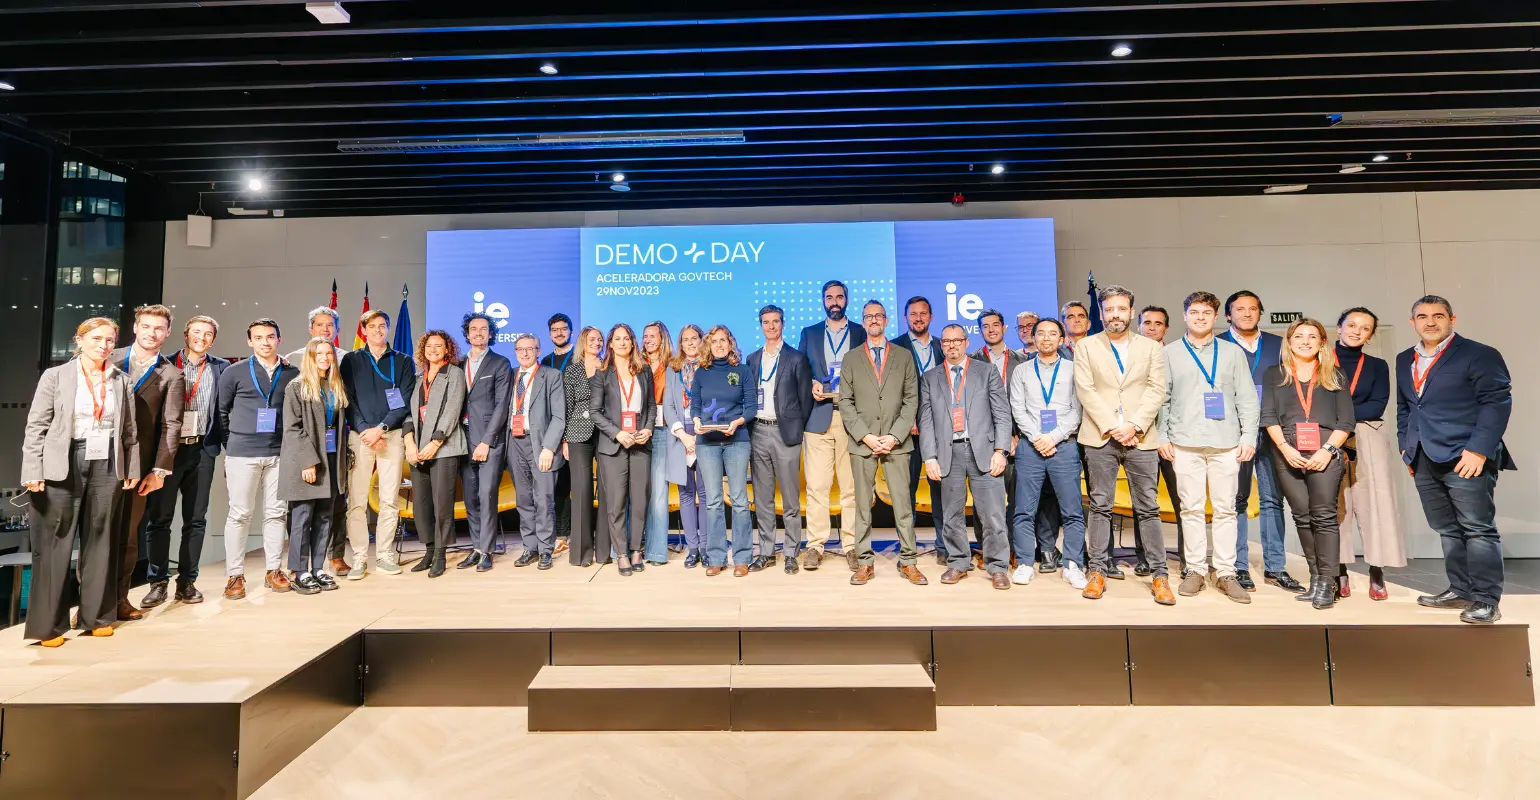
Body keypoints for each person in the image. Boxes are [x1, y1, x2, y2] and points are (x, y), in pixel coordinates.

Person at [21, 317, 141, 646]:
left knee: (101, 539)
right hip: (63, 463)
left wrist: (131, 467)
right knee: (55, 542)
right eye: (97, 338)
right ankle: (49, 627)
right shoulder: (56, 376)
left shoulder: (121, 380)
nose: (104, 345)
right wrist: (33, 469)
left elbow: (129, 432)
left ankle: (97, 616)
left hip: (107, 463)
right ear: (80, 340)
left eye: (110, 340)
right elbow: (36, 427)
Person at [1399, 296, 1514, 624]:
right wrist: (1407, 448)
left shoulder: (1480, 354)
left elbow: (1497, 402)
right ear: (1413, 323)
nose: (1430, 322)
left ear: (1452, 319)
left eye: (1438, 316)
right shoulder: (1404, 358)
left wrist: (1479, 450)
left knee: (1477, 528)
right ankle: (1461, 589)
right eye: (1422, 317)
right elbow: (1406, 408)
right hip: (1423, 456)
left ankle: (1486, 599)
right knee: (1447, 529)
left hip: (1467, 456)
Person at [1157, 292, 1259, 604]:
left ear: (1216, 317)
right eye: (1194, 312)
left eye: (1206, 313)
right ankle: (1196, 570)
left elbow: (1247, 399)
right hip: (1184, 442)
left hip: (1226, 442)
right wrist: (1162, 436)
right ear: (1185, 316)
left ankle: (1226, 572)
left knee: (1227, 509)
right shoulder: (1170, 353)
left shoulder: (1232, 353)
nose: (1200, 317)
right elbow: (1163, 397)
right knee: (1190, 508)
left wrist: (1248, 438)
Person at [1073, 285, 1172, 604]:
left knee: (1149, 508)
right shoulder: (1086, 346)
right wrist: (1114, 427)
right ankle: (1097, 571)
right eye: (1109, 309)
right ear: (1101, 313)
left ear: (1132, 312)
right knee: (1100, 505)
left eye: (1121, 309)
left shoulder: (1152, 348)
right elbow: (1085, 390)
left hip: (1141, 438)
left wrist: (1135, 425)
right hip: (1100, 436)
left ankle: (1160, 575)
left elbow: (1157, 389)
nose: (1115, 314)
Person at [1261, 319, 1355, 610]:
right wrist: (1285, 449)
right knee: (1301, 516)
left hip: (1325, 451)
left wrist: (1327, 450)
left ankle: (1329, 582)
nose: (1305, 341)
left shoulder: (1335, 375)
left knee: (1324, 516)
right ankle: (1315, 579)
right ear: (1288, 342)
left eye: (1312, 336)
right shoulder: (1274, 374)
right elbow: (1268, 417)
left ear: (1322, 342)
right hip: (1287, 451)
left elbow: (1346, 422)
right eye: (1298, 336)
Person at [1219, 290, 1302, 593]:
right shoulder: (1218, 346)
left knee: (1271, 500)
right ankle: (1238, 566)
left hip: (1273, 429)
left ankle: (1276, 567)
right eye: (1239, 309)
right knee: (1237, 499)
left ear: (1260, 313)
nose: (1246, 314)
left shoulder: (1279, 345)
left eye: (1252, 308)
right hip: (1235, 431)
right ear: (1228, 315)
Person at [142, 315, 228, 607]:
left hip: (202, 449)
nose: (201, 338)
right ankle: (157, 582)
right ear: (185, 335)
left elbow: (224, 412)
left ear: (213, 339)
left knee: (196, 520)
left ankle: (187, 582)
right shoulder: (164, 364)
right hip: (168, 452)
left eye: (207, 334)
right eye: (196, 332)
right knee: (159, 519)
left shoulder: (221, 367)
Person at [839, 300, 925, 586]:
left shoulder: (903, 356)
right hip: (863, 442)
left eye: (878, 316)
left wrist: (894, 435)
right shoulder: (851, 358)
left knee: (903, 505)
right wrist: (866, 436)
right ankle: (864, 562)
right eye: (868, 316)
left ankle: (909, 561)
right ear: (863, 322)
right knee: (862, 506)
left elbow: (912, 399)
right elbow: (846, 403)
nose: (874, 320)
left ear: (886, 321)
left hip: (896, 442)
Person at [109, 304, 185, 622]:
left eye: (159, 328)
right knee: (96, 534)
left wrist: (159, 470)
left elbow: (171, 426)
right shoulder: (107, 359)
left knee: (127, 536)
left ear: (167, 334)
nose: (152, 333)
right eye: (146, 326)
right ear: (135, 327)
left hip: (138, 467)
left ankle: (119, 599)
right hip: (98, 459)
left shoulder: (171, 374)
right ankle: (90, 604)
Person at [920, 324, 1012, 589]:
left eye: (957, 340)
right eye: (946, 342)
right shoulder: (930, 377)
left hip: (984, 451)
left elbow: (1002, 414)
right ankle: (958, 562)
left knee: (993, 514)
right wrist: (930, 457)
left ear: (966, 342)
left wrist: (1001, 450)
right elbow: (925, 421)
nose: (951, 345)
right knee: (951, 515)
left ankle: (997, 567)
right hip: (949, 453)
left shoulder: (986, 371)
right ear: (941, 345)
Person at [217, 318, 298, 599]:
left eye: (271, 336)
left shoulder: (292, 373)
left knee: (276, 513)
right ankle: (234, 575)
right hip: (242, 453)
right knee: (239, 514)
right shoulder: (233, 372)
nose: (265, 342)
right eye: (259, 337)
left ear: (279, 339)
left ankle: (274, 570)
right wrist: (232, 445)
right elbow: (221, 412)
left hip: (279, 453)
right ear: (250, 341)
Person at [1008, 318, 1088, 589]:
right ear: (1033, 338)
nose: (1046, 338)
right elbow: (1017, 409)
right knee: (1023, 511)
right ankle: (1024, 563)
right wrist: (1037, 437)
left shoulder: (1074, 368)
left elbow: (1077, 410)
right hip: (1030, 448)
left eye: (1053, 334)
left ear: (1061, 339)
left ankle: (1073, 565)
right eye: (1040, 333)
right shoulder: (1021, 371)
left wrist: (1052, 437)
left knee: (1073, 511)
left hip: (1064, 446)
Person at [340, 310, 414, 579]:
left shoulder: (404, 361)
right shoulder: (350, 360)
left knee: (389, 500)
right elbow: (347, 400)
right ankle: (359, 557)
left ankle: (384, 555)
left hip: (391, 436)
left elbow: (405, 401)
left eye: (383, 326)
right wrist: (365, 431)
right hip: (360, 438)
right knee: (357, 501)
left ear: (389, 329)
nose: (378, 330)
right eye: (372, 326)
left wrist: (382, 428)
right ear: (364, 330)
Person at [1334, 307, 1401, 600]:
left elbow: (1377, 406)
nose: (1356, 331)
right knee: (1335, 507)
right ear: (1339, 328)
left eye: (1364, 328)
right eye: (1351, 325)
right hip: (1329, 440)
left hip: (1367, 436)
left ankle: (1376, 570)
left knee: (1373, 503)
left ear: (1371, 335)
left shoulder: (1377, 365)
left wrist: (1337, 416)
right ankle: (1339, 570)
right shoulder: (1320, 361)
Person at [796, 280, 859, 570]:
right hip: (818, 416)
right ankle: (815, 545)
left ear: (847, 300)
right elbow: (799, 372)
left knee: (851, 488)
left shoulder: (859, 332)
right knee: (817, 487)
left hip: (851, 419)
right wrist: (809, 383)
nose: (835, 301)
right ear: (822, 301)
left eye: (839, 297)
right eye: (829, 297)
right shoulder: (808, 334)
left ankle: (851, 545)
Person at [278, 337, 348, 595]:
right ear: (309, 356)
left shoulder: (335, 385)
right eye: (319, 353)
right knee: (302, 518)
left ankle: (317, 568)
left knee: (325, 517)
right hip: (306, 460)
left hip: (330, 459)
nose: (325, 357)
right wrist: (308, 461)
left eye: (329, 353)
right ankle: (299, 570)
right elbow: (292, 429)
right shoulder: (297, 387)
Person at [747, 305, 813, 574]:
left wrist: (796, 428)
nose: (771, 326)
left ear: (783, 324)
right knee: (762, 498)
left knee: (790, 499)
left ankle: (791, 553)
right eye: (766, 322)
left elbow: (805, 399)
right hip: (758, 432)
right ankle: (765, 552)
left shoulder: (796, 358)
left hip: (786, 434)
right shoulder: (752, 360)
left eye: (775, 322)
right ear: (760, 325)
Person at [690, 325, 755, 576]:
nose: (719, 345)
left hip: (737, 440)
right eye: (714, 341)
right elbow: (696, 405)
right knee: (713, 501)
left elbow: (750, 407)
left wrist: (737, 422)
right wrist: (696, 421)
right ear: (708, 345)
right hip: (707, 443)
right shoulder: (701, 373)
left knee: (739, 501)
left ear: (731, 343)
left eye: (723, 340)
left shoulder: (743, 371)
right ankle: (716, 557)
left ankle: (742, 558)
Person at [592, 323, 656, 576]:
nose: (621, 343)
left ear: (632, 343)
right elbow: (595, 413)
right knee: (616, 503)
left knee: (640, 501)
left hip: (641, 443)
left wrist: (648, 429)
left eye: (626, 338)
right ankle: (621, 553)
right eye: (617, 339)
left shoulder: (644, 370)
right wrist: (618, 433)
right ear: (610, 344)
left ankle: (636, 549)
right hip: (613, 446)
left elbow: (651, 405)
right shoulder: (602, 373)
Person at [402, 330, 467, 578]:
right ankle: (428, 550)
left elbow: (452, 411)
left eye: (439, 346)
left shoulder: (455, 374)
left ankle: (441, 554)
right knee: (422, 504)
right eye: (429, 346)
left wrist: (435, 442)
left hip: (445, 448)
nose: (433, 349)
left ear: (447, 349)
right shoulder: (419, 378)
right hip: (418, 449)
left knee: (442, 504)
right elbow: (410, 413)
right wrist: (409, 442)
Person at [969, 309, 1029, 567]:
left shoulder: (1022, 360)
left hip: (1015, 440)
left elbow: (1026, 401)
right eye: (985, 326)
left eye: (996, 325)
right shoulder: (971, 361)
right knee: (984, 502)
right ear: (979, 331)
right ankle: (986, 549)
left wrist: (1014, 435)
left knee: (1016, 501)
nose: (991, 329)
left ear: (1004, 329)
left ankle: (1013, 549)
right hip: (982, 440)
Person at [506, 333, 566, 570]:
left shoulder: (552, 376)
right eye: (520, 349)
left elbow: (560, 416)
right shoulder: (509, 376)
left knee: (543, 499)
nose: (525, 353)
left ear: (538, 350)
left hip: (540, 444)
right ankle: (529, 547)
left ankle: (545, 549)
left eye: (529, 349)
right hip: (515, 443)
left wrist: (549, 447)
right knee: (523, 499)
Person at [458, 312, 511, 572]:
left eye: (483, 329)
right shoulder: (457, 364)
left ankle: (488, 550)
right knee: (470, 497)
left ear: (491, 334)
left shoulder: (500, 363)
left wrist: (487, 441)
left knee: (486, 494)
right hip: (462, 439)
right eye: (473, 329)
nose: (478, 333)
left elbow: (502, 405)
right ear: (467, 333)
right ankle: (477, 547)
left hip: (489, 440)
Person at [894, 296, 944, 554]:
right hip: (908, 431)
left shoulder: (943, 346)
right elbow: (891, 392)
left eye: (923, 313)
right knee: (907, 489)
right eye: (913, 314)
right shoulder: (895, 347)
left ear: (931, 317)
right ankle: (908, 547)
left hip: (941, 430)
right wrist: (909, 417)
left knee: (942, 489)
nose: (918, 318)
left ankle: (944, 545)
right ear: (905, 318)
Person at [1138, 305, 1184, 575]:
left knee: (1183, 501)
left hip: (1174, 440)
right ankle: (1145, 556)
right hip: (1141, 439)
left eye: (1158, 323)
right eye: (1147, 322)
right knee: (1143, 501)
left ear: (1166, 328)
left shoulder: (1176, 355)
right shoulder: (1130, 356)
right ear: (1139, 325)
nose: (1152, 327)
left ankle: (1187, 559)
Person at [665, 325, 707, 567]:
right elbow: (669, 406)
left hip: (705, 433)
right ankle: (692, 549)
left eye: (695, 339)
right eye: (686, 340)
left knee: (706, 493)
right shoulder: (674, 369)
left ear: (702, 340)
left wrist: (699, 434)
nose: (691, 343)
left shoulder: (710, 366)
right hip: (680, 434)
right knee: (686, 494)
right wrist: (683, 435)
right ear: (680, 344)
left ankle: (707, 547)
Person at [563, 326, 606, 566]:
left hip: (606, 432)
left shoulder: (608, 367)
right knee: (581, 492)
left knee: (608, 491)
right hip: (578, 433)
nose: (597, 342)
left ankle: (604, 551)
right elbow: (566, 406)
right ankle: (581, 553)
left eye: (600, 339)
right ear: (583, 342)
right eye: (592, 339)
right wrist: (565, 440)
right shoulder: (572, 371)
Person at [539, 313, 576, 555]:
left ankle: (578, 533)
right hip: (552, 430)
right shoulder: (545, 360)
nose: (559, 333)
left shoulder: (580, 357)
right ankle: (562, 534)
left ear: (571, 332)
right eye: (555, 330)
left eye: (563, 329)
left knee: (575, 485)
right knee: (558, 486)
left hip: (577, 429)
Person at [641, 321, 675, 566]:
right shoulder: (635, 364)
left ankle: (656, 552)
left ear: (662, 339)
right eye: (645, 336)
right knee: (634, 492)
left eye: (653, 336)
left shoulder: (672, 366)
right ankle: (629, 547)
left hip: (662, 431)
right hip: (637, 431)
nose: (648, 340)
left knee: (658, 494)